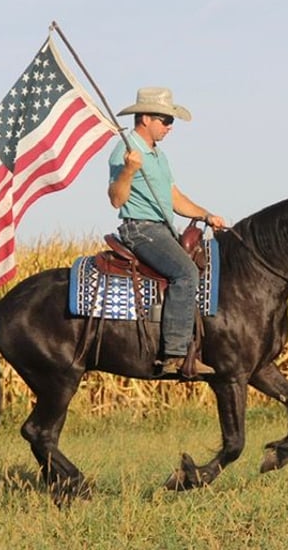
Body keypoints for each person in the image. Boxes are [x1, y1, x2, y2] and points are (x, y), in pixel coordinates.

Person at [108, 87, 226, 377]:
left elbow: (174, 198)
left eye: (171, 121)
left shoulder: (158, 155)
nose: (170, 127)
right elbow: (116, 199)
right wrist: (129, 170)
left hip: (162, 227)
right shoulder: (126, 151)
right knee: (185, 273)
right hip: (140, 228)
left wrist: (205, 214)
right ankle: (174, 354)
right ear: (145, 117)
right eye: (165, 120)